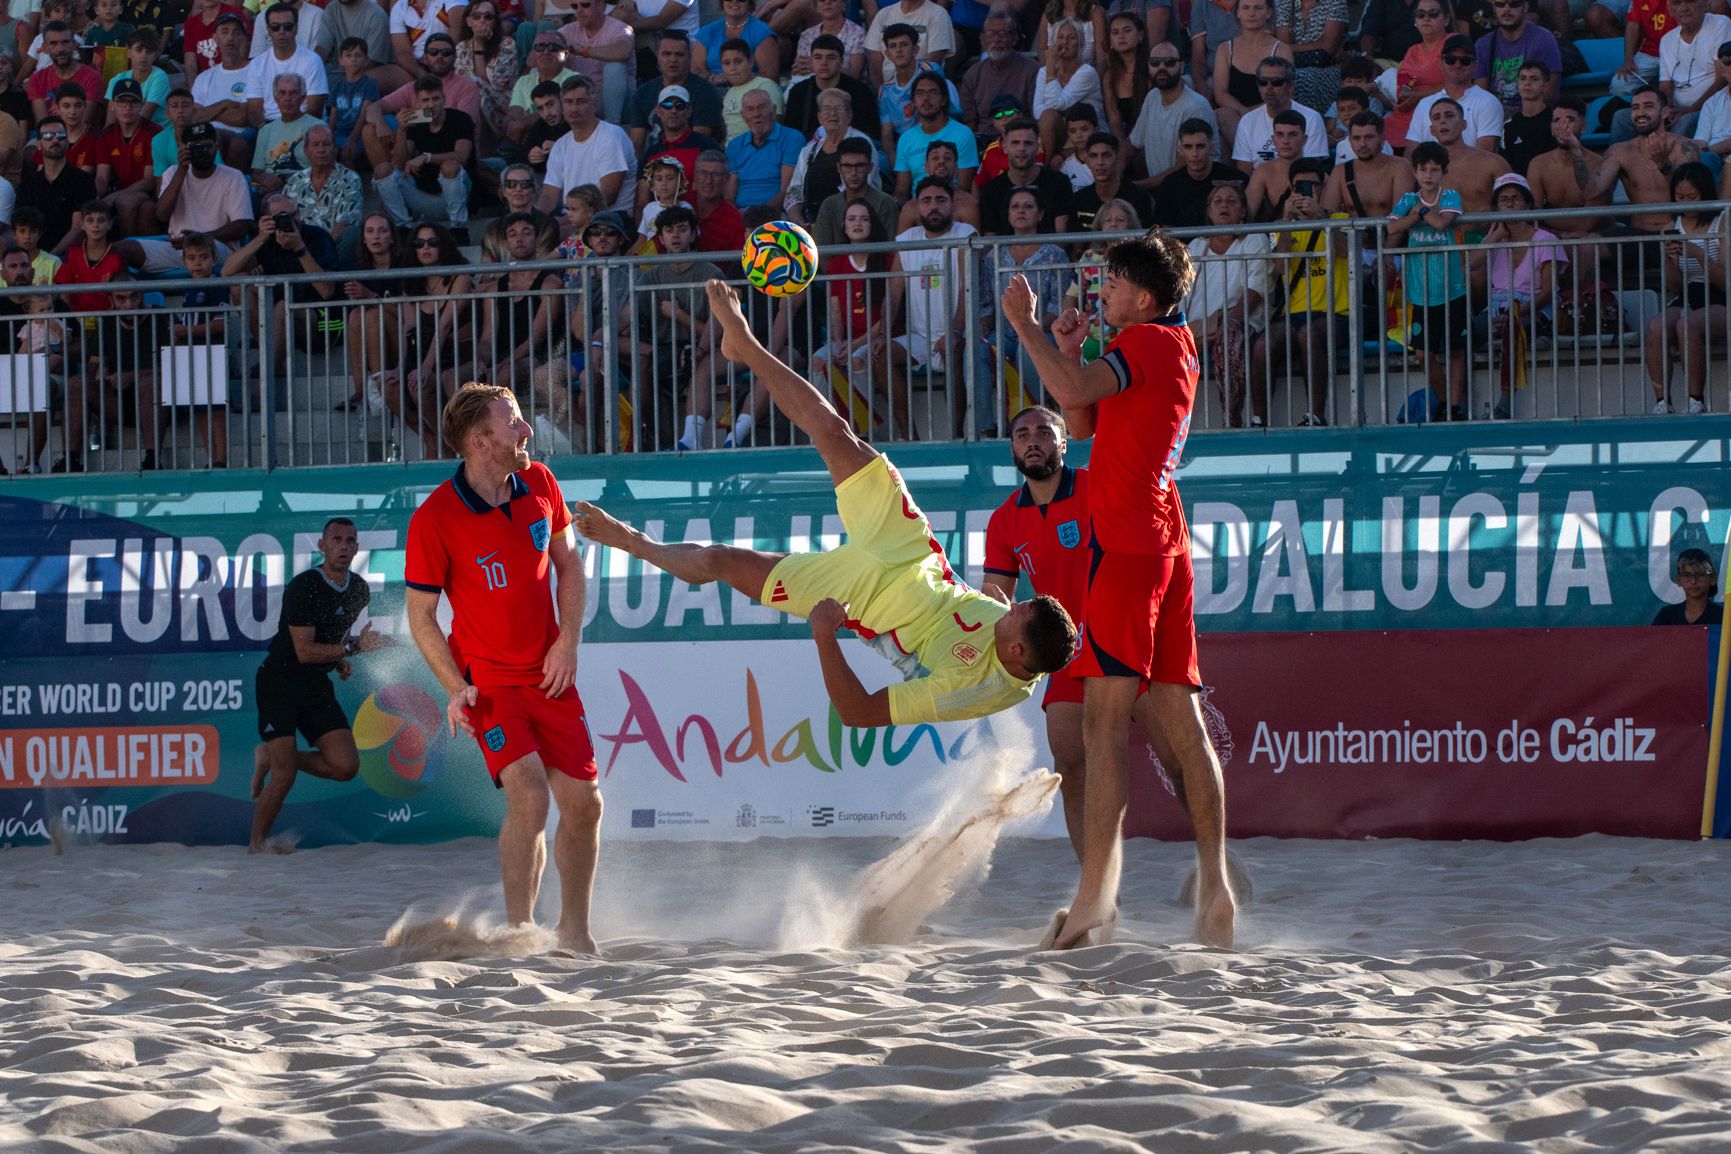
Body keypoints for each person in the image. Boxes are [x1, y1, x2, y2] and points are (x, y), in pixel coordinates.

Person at [578, 277, 1076, 728]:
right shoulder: (1022, 633)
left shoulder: (974, 689)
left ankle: (633, 541)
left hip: (861, 602)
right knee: (835, 432)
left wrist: (823, 635)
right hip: (913, 555)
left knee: (719, 560)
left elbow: (859, 713)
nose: (1011, 602)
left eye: (1017, 611)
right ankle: (746, 345)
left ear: (1015, 650)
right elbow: (1004, 606)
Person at [1001, 233, 1234, 951]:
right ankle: (1215, 888)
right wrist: (1068, 353)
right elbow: (1081, 421)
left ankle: (1093, 901)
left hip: (1129, 546)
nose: (1101, 290)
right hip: (1160, 537)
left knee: (1103, 728)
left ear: (1145, 295)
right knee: (1180, 722)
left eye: (1112, 282)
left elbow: (1070, 397)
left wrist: (1025, 327)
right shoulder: (1167, 343)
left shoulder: (1151, 341)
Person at [404, 383, 601, 953]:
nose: (527, 430)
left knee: (585, 805)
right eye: (513, 422)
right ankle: (521, 933)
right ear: (480, 441)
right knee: (531, 797)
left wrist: (568, 641)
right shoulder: (435, 518)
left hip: (551, 673)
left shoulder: (541, 483)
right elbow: (421, 617)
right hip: (489, 682)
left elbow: (569, 566)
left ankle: (575, 932)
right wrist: (455, 687)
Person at [980, 406, 1090, 852]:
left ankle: (1213, 862)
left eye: (1044, 433)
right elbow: (995, 603)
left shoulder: (1096, 488)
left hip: (1126, 639)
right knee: (1071, 768)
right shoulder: (1005, 519)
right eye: (1022, 434)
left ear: (1063, 443)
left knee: (1175, 757)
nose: (1032, 441)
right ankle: (1094, 883)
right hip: (1067, 653)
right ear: (1012, 447)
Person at [249, 516, 388, 849]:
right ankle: (256, 845)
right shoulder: (304, 586)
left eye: (350, 540)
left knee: (345, 767)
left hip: (314, 684)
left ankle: (270, 755)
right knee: (285, 776)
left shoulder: (359, 590)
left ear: (357, 548)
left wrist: (338, 659)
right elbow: (304, 651)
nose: (343, 546)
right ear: (322, 546)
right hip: (280, 682)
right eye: (336, 540)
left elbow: (329, 638)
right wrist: (352, 649)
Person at [1389, 141, 1470, 422]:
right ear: (1414, 171)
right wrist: (1416, 214)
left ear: (1443, 172)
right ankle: (1444, 400)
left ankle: (1454, 408)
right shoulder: (1408, 199)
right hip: (1420, 289)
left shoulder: (1450, 196)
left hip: (1451, 286)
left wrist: (1419, 214)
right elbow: (1392, 226)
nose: (1428, 175)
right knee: (1423, 354)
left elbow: (1442, 223)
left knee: (1456, 350)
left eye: (1434, 170)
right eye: (1423, 169)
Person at [1477, 172, 1566, 419]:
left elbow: (1548, 290)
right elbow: (1471, 265)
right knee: (1458, 334)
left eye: (1516, 198)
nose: (1510, 204)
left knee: (1512, 331)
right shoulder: (1494, 240)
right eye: (1503, 200)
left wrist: (1516, 314)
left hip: (1535, 309)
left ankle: (1504, 404)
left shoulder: (1546, 239)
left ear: (1527, 204)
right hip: (1497, 308)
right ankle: (1457, 404)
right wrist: (1496, 235)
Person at [1186, 182, 1270, 427]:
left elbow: (1255, 289)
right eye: (1218, 201)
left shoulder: (1254, 239)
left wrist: (1227, 324)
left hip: (1238, 321)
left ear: (1243, 211)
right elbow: (1180, 293)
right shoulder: (1196, 245)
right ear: (1210, 212)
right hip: (1196, 326)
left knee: (1228, 341)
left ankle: (1231, 418)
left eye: (1232, 201)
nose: (1224, 205)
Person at [1645, 162, 1726, 414]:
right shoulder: (1670, 227)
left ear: (1705, 194)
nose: (1686, 203)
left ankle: (1695, 400)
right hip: (1688, 293)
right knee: (1656, 327)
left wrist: (1698, 254)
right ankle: (1662, 402)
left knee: (1686, 325)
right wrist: (1670, 259)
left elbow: (1726, 281)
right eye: (1680, 197)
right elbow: (1673, 286)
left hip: (1721, 296)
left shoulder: (1723, 222)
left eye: (1692, 197)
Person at [1582, 86, 1702, 236]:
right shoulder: (1618, 151)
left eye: (1648, 106)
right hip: (1637, 234)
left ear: (1665, 112)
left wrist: (1662, 163)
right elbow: (1592, 192)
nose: (1640, 113)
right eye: (1635, 107)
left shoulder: (1685, 146)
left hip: (1678, 232)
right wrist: (1575, 151)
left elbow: (1689, 191)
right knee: (1589, 245)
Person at [375, 71, 473, 226]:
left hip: (457, 191)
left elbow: (462, 156)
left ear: (444, 99)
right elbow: (398, 164)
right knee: (383, 170)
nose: (431, 105)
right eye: (425, 100)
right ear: (417, 102)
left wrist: (426, 157)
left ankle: (459, 229)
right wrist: (402, 130)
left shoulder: (460, 118)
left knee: (450, 165)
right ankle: (403, 227)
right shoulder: (416, 122)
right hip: (422, 195)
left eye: (436, 99)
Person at [538, 73, 634, 214]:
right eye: (568, 102)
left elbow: (608, 195)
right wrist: (538, 220)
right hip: (572, 217)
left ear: (594, 105)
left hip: (608, 218)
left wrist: (568, 221)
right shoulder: (560, 145)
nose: (574, 108)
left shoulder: (611, 135)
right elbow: (549, 194)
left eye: (581, 101)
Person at [783, 85, 879, 225]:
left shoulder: (862, 144)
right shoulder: (808, 151)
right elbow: (794, 191)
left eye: (838, 108)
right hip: (810, 222)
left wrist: (825, 223)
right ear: (819, 117)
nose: (832, 114)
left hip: (850, 220)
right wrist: (799, 222)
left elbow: (861, 189)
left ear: (849, 115)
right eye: (827, 109)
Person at [1212, 0, 1288, 150]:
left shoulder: (1281, 50)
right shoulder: (1225, 49)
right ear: (1238, 13)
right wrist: (1244, 113)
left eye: (1258, 8)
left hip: (1271, 113)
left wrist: (1255, 114)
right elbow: (1220, 93)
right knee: (1223, 114)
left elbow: (1285, 92)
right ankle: (1249, 156)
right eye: (1246, 8)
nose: (1251, 13)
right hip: (1236, 118)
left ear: (1269, 13)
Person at [979, 115, 1073, 234]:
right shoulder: (991, 190)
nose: (1021, 148)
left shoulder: (1059, 183)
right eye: (1015, 143)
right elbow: (990, 238)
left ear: (1037, 148)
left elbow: (1062, 236)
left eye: (1028, 143)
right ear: (1005, 148)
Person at [18, 113, 97, 252]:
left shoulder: (82, 181)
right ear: (38, 144)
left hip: (66, 254)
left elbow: (78, 229)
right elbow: (21, 227)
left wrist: (51, 257)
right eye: (48, 136)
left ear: (67, 142)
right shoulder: (28, 184)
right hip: (33, 254)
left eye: (61, 136)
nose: (55, 140)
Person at [1231, 55, 1324, 171]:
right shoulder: (1247, 121)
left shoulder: (1312, 119)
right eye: (1263, 82)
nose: (1269, 87)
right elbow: (1244, 172)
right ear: (1258, 87)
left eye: (1277, 82)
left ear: (1291, 86)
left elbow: (1310, 170)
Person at [1148, 118, 1247, 228]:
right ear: (1180, 150)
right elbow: (1166, 229)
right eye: (1188, 147)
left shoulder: (1234, 179)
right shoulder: (1170, 184)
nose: (1195, 154)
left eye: (1200, 146)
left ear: (1211, 147)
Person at [1409, 35, 1503, 149]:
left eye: (1465, 61)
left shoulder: (1488, 102)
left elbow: (1485, 154)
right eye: (1450, 60)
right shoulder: (1424, 104)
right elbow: (1411, 152)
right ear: (1441, 63)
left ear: (1475, 65)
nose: (1457, 65)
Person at [894, 69, 978, 196]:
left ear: (944, 99)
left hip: (953, 202)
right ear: (913, 102)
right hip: (917, 203)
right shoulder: (906, 139)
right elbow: (902, 189)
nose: (926, 98)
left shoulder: (963, 134)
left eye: (932, 92)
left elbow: (964, 188)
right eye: (920, 93)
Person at [783, 31, 876, 141]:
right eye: (818, 57)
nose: (824, 62)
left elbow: (869, 132)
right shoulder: (798, 92)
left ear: (841, 61)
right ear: (811, 61)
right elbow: (791, 133)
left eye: (831, 57)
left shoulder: (860, 92)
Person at [960, 6, 1038, 137]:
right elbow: (969, 122)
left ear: (1015, 39)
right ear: (982, 39)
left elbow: (1036, 118)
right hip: (984, 141)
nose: (996, 40)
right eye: (991, 33)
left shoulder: (1032, 71)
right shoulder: (973, 75)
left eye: (1003, 33)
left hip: (1021, 140)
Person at [1384, 0, 1452, 149]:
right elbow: (1403, 87)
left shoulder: (1453, 43)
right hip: (1403, 114)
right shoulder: (1412, 50)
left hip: (1437, 116)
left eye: (1433, 13)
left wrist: (1419, 96)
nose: (1426, 18)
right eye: (1420, 14)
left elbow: (1458, 84)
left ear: (1446, 19)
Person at [245, 3, 328, 125]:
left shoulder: (312, 61)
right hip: (268, 125)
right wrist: (268, 131)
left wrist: (287, 132)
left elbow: (314, 110)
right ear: (268, 31)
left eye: (287, 27)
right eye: (275, 27)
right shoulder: (257, 64)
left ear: (296, 29)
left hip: (304, 125)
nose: (282, 31)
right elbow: (254, 111)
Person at [1033, 18, 1104, 158]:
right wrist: (1059, 112)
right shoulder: (1043, 72)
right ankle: (1043, 166)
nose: (1065, 42)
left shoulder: (1087, 72)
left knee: (1050, 115)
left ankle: (1046, 164)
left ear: (1081, 43)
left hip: (1088, 135)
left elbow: (1058, 103)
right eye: (1060, 37)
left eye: (1071, 38)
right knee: (1048, 116)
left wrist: (1051, 70)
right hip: (1060, 132)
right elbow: (1038, 111)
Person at [1473, 0, 1559, 114]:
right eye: (1500, 4)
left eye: (1514, 4)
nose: (1506, 9)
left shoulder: (1544, 40)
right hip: (1494, 115)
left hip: (1531, 115)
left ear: (1525, 7)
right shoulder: (1483, 44)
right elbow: (1481, 95)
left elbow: (1549, 94)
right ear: (1494, 8)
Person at [810, 134, 896, 246]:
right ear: (839, 168)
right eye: (847, 166)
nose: (853, 173)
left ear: (870, 167)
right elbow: (822, 250)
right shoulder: (829, 205)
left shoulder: (884, 203)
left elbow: (888, 248)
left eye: (860, 166)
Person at [724, 85, 801, 210]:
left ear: (773, 111)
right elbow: (729, 195)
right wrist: (735, 216)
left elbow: (786, 192)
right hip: (740, 213)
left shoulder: (791, 138)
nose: (756, 114)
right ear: (743, 115)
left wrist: (759, 214)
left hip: (775, 212)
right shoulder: (735, 145)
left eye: (762, 107)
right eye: (750, 109)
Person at [1068, 129, 1154, 231]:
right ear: (1087, 160)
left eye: (1106, 155)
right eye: (1093, 156)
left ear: (1117, 157)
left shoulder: (1139, 197)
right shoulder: (1079, 200)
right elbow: (1074, 239)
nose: (1100, 162)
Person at [1275, 0, 1346, 115]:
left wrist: (1292, 48)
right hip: (1293, 65)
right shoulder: (1285, 3)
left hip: (1327, 67)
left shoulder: (1335, 2)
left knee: (1303, 79)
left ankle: (1308, 120)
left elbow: (1329, 48)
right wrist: (1318, 45)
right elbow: (1282, 47)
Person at [864, 0, 955, 84]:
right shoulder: (883, 14)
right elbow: (874, 60)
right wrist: (882, 91)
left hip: (922, 89)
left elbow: (934, 60)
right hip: (887, 88)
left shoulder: (938, 14)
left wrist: (912, 92)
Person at [1500, 59, 1556, 175]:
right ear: (1517, 84)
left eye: (1534, 79)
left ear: (1545, 86)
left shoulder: (1555, 122)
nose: (1527, 83)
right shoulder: (1509, 126)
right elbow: (1505, 167)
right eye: (1523, 78)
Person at [1653, 547, 1723, 624]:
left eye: (1700, 574)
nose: (1693, 581)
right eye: (1686, 575)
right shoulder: (1666, 616)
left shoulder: (1723, 617)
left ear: (1712, 578)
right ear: (1678, 580)